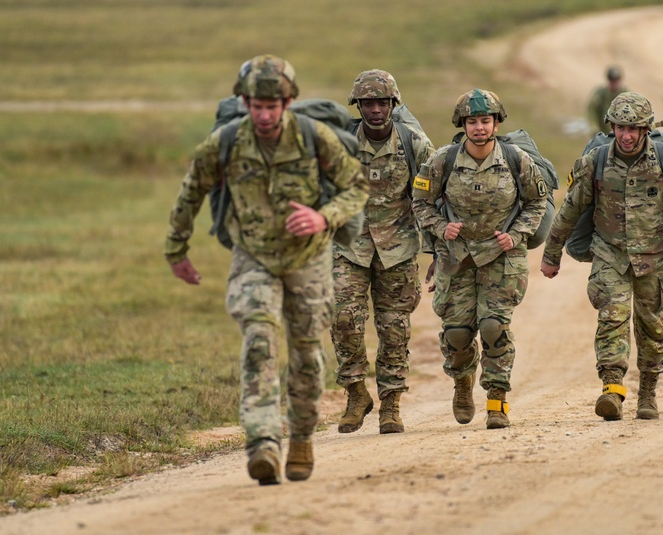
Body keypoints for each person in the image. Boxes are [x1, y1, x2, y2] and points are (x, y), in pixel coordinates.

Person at [165, 55, 368, 485]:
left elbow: (356, 186)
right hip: (253, 257)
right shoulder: (225, 141)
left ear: (288, 102)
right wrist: (176, 249)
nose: (263, 113)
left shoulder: (313, 138)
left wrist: (323, 217)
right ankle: (262, 442)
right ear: (244, 102)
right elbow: (191, 191)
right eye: (255, 104)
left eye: (271, 105)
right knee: (258, 340)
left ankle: (302, 440)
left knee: (307, 356)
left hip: (308, 259)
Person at [541, 92, 663, 421]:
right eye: (620, 128)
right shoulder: (597, 161)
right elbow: (570, 209)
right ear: (612, 127)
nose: (627, 135)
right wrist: (552, 253)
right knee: (612, 319)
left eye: (634, 128)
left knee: (652, 327)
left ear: (647, 129)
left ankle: (648, 391)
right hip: (610, 255)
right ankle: (612, 388)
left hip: (656, 256)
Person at [411, 89, 548, 430]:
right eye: (472, 122)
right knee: (457, 334)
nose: (479, 128)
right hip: (456, 258)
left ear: (497, 123)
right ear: (463, 124)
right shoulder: (442, 161)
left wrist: (515, 235)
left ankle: (497, 401)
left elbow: (537, 204)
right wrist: (442, 227)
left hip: (501, 258)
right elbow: (420, 202)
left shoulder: (517, 160)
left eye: (486, 121)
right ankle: (462, 382)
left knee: (493, 327)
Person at [332, 69, 435, 436]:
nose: (375, 110)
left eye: (382, 102)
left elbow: (432, 197)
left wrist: (437, 249)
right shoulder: (340, 143)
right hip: (349, 248)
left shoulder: (414, 143)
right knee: (344, 319)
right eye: (367, 103)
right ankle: (356, 393)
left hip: (399, 249)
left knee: (395, 330)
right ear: (357, 106)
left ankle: (391, 404)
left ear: (394, 103)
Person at [587, 65, 629, 134]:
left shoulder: (626, 95)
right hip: (603, 134)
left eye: (616, 80)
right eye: (611, 80)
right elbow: (591, 109)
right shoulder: (601, 94)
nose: (614, 83)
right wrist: (594, 127)